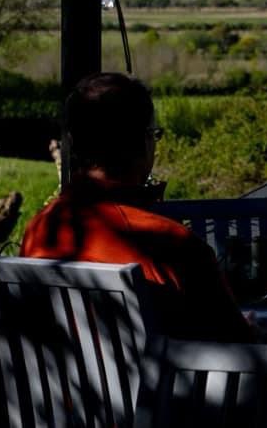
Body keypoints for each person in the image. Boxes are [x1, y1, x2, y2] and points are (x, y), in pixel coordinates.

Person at [21, 72, 254, 342]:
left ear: (74, 144)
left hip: (56, 385)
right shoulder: (171, 244)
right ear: (144, 142)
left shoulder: (40, 228)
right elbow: (237, 347)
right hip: (161, 384)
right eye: (154, 134)